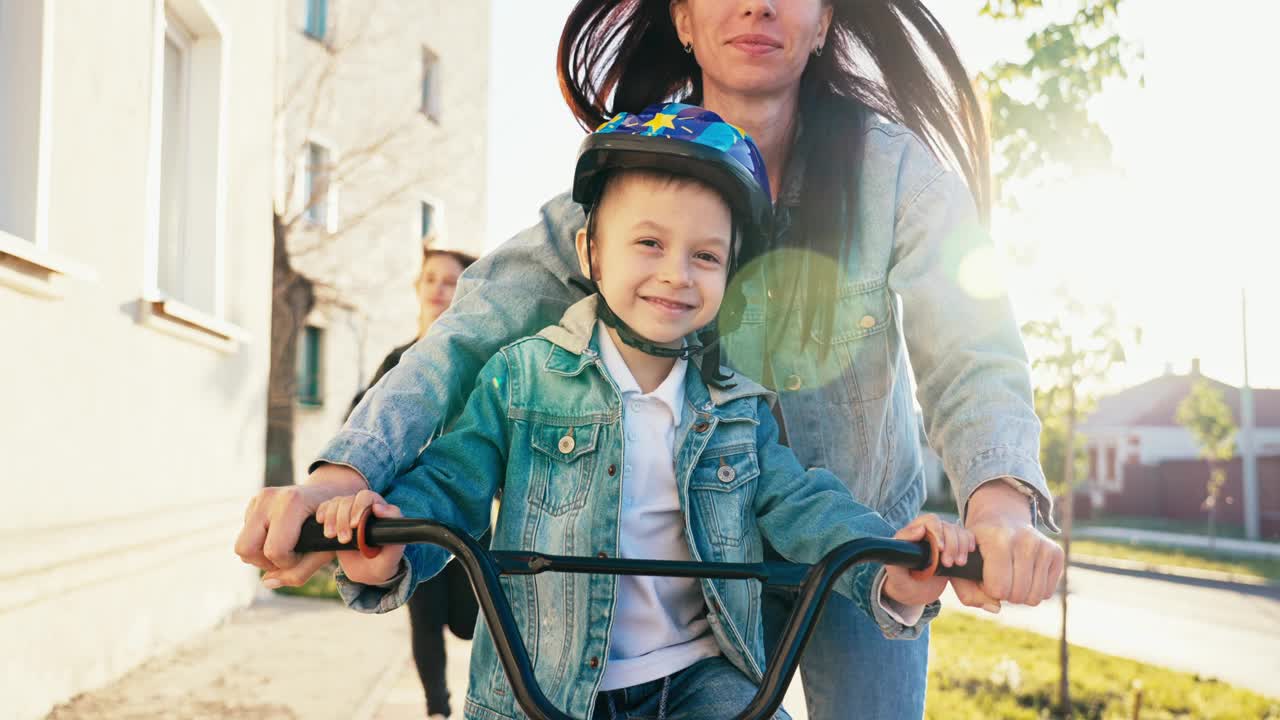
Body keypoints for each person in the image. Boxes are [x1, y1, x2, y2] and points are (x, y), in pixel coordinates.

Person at [237, 3, 1065, 718]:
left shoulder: (893, 174)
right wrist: (345, 475)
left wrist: (999, 508)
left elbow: (971, 347)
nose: (757, 6)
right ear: (681, 18)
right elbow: (472, 327)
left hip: (852, 540)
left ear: (825, 23)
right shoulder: (633, 176)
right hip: (696, 581)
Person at [314, 105, 975, 720]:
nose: (677, 275)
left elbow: (806, 506)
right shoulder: (520, 379)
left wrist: (889, 568)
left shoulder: (738, 407)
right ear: (590, 253)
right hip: (539, 686)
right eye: (649, 244)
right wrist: (390, 545)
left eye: (706, 256)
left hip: (702, 686)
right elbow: (450, 483)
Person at [348, 244, 480, 720]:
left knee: (468, 623)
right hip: (411, 515)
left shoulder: (483, 363)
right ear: (418, 288)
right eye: (431, 279)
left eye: (451, 281)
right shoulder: (397, 363)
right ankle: (438, 712)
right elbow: (361, 429)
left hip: (471, 520)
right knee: (424, 620)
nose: (439, 289)